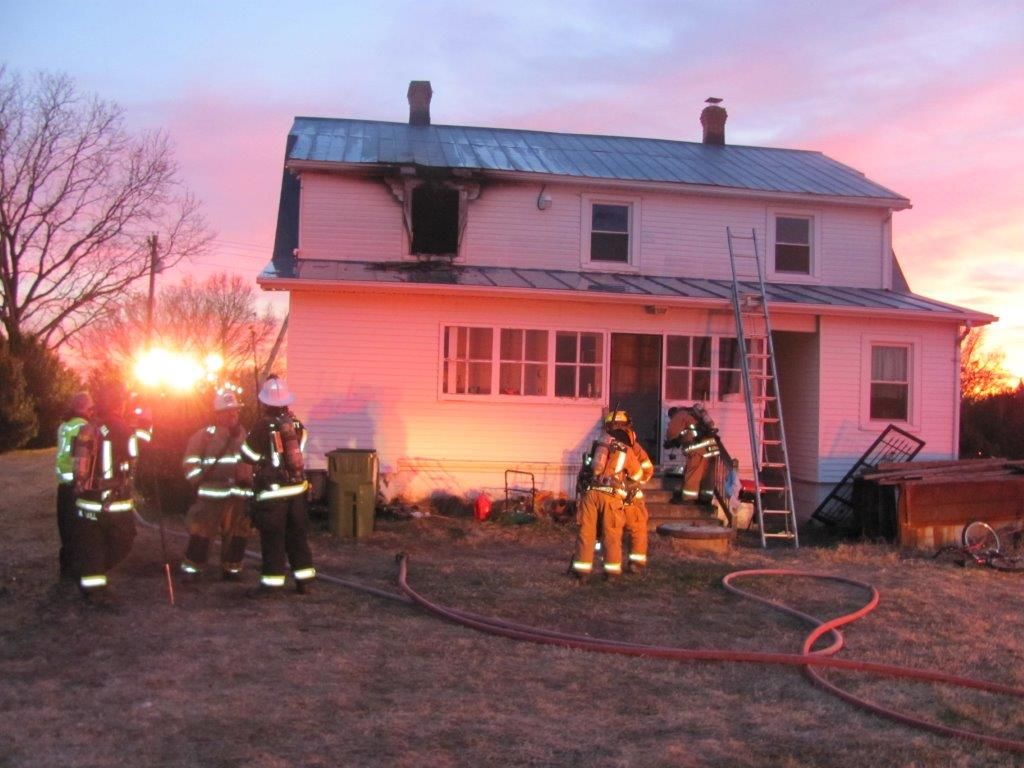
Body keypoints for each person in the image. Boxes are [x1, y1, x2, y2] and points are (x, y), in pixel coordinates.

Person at [241, 375, 316, 596]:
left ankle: (272, 584)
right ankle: (305, 582)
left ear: (265, 403)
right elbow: (302, 449)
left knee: (273, 539)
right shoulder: (297, 425)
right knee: (297, 537)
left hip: (273, 494)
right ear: (286, 402)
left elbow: (248, 455)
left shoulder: (263, 426)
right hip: (297, 491)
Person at [72, 383, 142, 601]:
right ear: (118, 404)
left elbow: (78, 464)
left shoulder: (87, 428)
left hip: (86, 500)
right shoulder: (122, 428)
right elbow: (133, 456)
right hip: (114, 499)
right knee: (123, 540)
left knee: (92, 544)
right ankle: (94, 581)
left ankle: (90, 584)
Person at [179, 389, 254, 582]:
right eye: (228, 411)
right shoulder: (204, 436)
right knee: (201, 533)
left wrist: (249, 479)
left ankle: (232, 569)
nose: (233, 415)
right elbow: (190, 462)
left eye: (235, 411)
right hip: (212, 496)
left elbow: (251, 461)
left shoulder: (244, 435)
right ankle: (192, 570)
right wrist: (198, 481)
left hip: (238, 495)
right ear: (218, 414)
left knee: (238, 533)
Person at [570, 416, 644, 583]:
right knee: (611, 533)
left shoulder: (597, 446)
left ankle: (581, 571)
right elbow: (638, 475)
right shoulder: (626, 450)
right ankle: (611, 573)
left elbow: (587, 468)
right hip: (610, 496)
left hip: (590, 493)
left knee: (586, 532)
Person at [604, 411, 655, 575]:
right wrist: (635, 482)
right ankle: (636, 563)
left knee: (613, 530)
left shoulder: (604, 444)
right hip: (629, 497)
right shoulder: (633, 445)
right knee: (637, 529)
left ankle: (616, 565)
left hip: (613, 496)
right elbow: (646, 471)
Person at [55, 392, 94, 581]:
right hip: (75, 484)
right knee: (76, 528)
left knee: (65, 527)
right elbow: (81, 458)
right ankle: (74, 569)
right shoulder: (82, 426)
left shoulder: (65, 424)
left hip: (63, 483)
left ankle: (66, 567)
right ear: (87, 408)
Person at [664, 404, 720, 506]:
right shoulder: (692, 414)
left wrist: (670, 442)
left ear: (672, 414)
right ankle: (705, 499)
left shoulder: (678, 416)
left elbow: (671, 433)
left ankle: (688, 498)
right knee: (707, 476)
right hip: (711, 447)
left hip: (698, 449)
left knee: (693, 474)